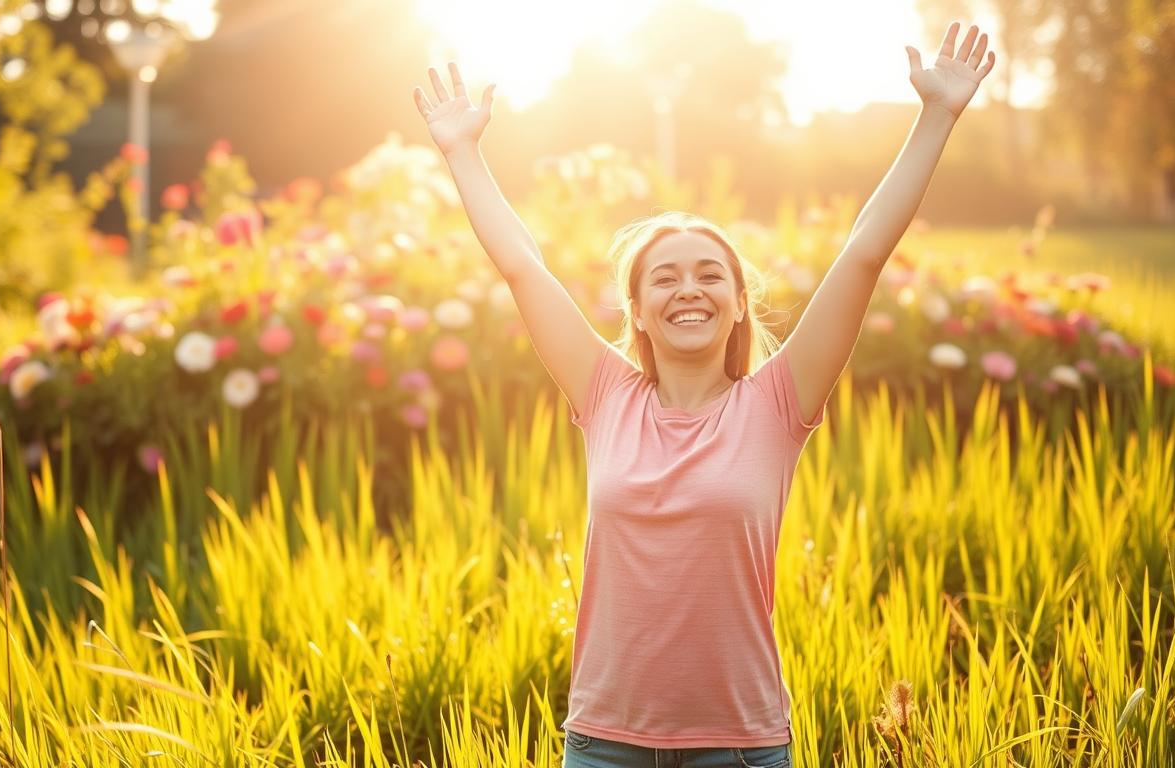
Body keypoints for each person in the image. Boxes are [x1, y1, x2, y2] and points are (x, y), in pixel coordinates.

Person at [413, 21, 995, 768]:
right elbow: (524, 267)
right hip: (603, 745)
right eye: (665, 277)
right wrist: (463, 151)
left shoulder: (778, 406)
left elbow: (864, 253)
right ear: (639, 312)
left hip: (741, 746)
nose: (689, 289)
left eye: (709, 274)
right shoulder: (604, 394)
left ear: (739, 303)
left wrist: (936, 115)